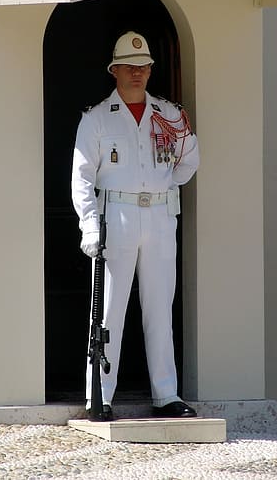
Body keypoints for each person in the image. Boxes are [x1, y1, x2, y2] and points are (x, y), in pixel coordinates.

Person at [71, 31, 200, 421]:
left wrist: (162, 187)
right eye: (129, 66)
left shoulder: (169, 114)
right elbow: (81, 176)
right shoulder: (96, 119)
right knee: (109, 310)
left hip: (159, 217)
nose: (138, 73)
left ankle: (166, 394)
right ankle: (99, 396)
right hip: (118, 218)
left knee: (160, 308)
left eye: (144, 66)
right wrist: (90, 225)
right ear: (115, 71)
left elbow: (189, 159)